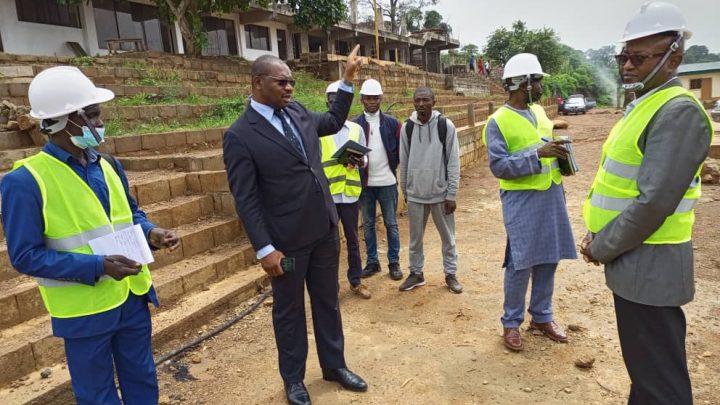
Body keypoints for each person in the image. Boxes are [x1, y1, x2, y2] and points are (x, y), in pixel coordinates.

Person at [0, 66, 180, 405]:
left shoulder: (108, 164)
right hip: (84, 311)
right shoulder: (25, 182)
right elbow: (25, 256)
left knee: (142, 380)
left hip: (131, 296)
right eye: (93, 116)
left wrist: (152, 231)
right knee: (97, 396)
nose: (100, 124)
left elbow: (128, 215)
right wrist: (97, 266)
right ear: (65, 121)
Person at [580, 3, 712, 404]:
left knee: (660, 383)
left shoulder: (678, 112)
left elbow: (653, 204)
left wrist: (601, 245)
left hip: (651, 264)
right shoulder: (646, 105)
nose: (626, 65)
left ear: (675, 56)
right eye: (623, 56)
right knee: (646, 369)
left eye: (638, 57)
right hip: (636, 261)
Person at [222, 47, 367, 405]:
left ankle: (334, 365)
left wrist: (347, 81)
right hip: (285, 243)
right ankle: (293, 380)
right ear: (258, 84)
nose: (289, 88)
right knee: (289, 313)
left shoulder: (298, 111)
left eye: (292, 82)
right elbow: (246, 199)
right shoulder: (240, 135)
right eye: (282, 82)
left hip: (323, 230)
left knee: (327, 302)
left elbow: (332, 122)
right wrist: (264, 248)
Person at [481, 53, 577, 352]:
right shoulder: (497, 122)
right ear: (523, 83)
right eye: (537, 81)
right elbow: (499, 166)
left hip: (550, 194)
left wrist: (561, 154)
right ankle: (511, 323)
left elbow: (546, 138)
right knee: (520, 262)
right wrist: (537, 155)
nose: (540, 86)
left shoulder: (538, 113)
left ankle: (542, 317)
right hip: (521, 199)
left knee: (549, 257)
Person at [398, 87, 462, 294]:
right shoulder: (407, 128)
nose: (421, 104)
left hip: (441, 195)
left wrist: (451, 194)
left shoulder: (445, 126)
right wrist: (406, 191)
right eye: (417, 100)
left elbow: (453, 162)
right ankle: (416, 273)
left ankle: (450, 274)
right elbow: (404, 161)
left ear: (434, 102)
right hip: (416, 194)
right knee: (415, 239)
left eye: (425, 100)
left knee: (448, 238)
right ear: (413, 102)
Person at [320, 80, 371, 299]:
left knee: (352, 241)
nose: (336, 104)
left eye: (339, 101)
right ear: (328, 102)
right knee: (329, 245)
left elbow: (366, 160)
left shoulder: (356, 129)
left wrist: (358, 161)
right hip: (328, 197)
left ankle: (356, 281)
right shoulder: (318, 129)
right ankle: (329, 287)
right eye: (332, 101)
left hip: (349, 195)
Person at [352, 79, 403, 281]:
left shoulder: (392, 123)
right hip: (366, 184)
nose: (372, 101)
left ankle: (394, 262)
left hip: (387, 181)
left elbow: (400, 150)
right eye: (368, 98)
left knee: (391, 224)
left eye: (375, 98)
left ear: (381, 99)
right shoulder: (355, 125)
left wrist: (394, 167)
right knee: (369, 224)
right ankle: (372, 262)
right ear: (362, 100)